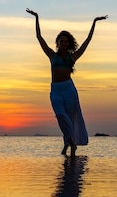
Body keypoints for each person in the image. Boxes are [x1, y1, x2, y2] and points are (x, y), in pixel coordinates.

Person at [26, 8, 108, 156]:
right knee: (60, 116)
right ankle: (69, 142)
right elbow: (39, 37)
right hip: (56, 91)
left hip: (69, 91)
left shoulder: (72, 57)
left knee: (70, 118)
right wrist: (36, 17)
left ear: (68, 43)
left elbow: (87, 42)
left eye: (65, 41)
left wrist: (94, 22)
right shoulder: (52, 55)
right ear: (58, 42)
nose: (63, 43)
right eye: (61, 41)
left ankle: (70, 145)